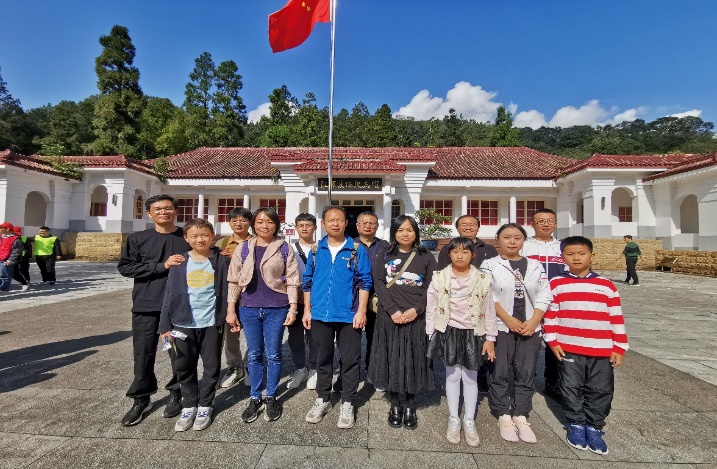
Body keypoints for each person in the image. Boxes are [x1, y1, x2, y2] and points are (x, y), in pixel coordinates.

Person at [544, 236, 629, 455]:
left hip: (601, 348)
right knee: (570, 386)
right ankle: (576, 423)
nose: (576, 258)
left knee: (601, 389)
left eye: (581, 253)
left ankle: (595, 426)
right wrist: (552, 341)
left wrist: (619, 347)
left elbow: (616, 317)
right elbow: (551, 315)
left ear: (592, 256)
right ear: (562, 257)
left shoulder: (606, 285)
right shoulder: (556, 283)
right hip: (569, 346)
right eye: (570, 254)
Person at [117, 195, 189, 427]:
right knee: (143, 354)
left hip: (179, 307)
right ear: (149, 213)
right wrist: (161, 266)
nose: (163, 212)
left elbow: (206, 258)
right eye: (158, 209)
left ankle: (178, 393)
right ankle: (142, 398)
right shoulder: (138, 239)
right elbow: (126, 267)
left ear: (176, 211)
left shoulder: (187, 237)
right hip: (147, 305)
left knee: (178, 353)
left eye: (168, 208)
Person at [227, 208, 300, 424]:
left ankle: (271, 396)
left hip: (276, 307)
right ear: (253, 225)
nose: (264, 225)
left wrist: (293, 308)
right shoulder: (243, 248)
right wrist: (231, 310)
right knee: (254, 354)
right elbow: (234, 280)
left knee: (274, 354)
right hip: (249, 307)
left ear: (276, 224)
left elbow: (292, 280)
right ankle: (255, 397)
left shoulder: (284, 248)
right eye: (259, 222)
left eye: (269, 221)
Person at [480, 223, 552, 444]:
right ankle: (502, 412)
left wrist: (534, 320)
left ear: (523, 241)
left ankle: (521, 413)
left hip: (530, 325)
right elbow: (486, 294)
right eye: (507, 237)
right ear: (498, 240)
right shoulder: (489, 264)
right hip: (501, 326)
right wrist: (507, 319)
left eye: (517, 237)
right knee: (499, 370)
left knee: (526, 371)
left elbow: (544, 294)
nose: (512, 241)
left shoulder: (536, 265)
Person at [302, 206, 372, 429]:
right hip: (320, 313)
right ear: (323, 224)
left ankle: (348, 401)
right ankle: (323, 398)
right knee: (322, 358)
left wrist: (361, 311)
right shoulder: (316, 250)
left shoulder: (356, 249)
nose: (335, 224)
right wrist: (307, 310)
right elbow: (307, 282)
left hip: (348, 314)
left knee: (350, 360)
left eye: (339, 220)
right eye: (330, 220)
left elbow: (364, 282)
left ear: (345, 223)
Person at [159, 219, 229, 432]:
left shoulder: (221, 260)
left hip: (211, 322)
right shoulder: (179, 262)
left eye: (205, 235)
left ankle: (205, 404)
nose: (200, 239)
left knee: (212, 366)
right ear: (186, 238)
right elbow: (168, 295)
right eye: (194, 236)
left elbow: (230, 289)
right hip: (182, 323)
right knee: (183, 365)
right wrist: (164, 326)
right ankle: (189, 404)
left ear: (213, 236)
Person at [426, 237, 497, 446]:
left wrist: (490, 338)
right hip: (448, 331)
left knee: (471, 377)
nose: (459, 256)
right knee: (452, 375)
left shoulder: (483, 279)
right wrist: (431, 333)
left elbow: (489, 310)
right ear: (448, 254)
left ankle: (469, 419)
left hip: (473, 332)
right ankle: (453, 418)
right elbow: (431, 306)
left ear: (472, 255)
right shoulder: (439, 277)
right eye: (455, 251)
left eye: (465, 252)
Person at [369, 215, 437, 430]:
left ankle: (409, 404)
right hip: (389, 316)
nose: (405, 234)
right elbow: (378, 282)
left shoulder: (426, 256)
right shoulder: (385, 255)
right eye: (400, 230)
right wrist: (392, 310)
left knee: (413, 358)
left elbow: (432, 286)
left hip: (416, 317)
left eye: (409, 229)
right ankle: (395, 403)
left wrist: (416, 310)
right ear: (394, 233)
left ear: (416, 232)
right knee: (391, 357)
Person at [521, 208, 566, 399]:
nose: (546, 224)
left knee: (556, 342)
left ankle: (553, 382)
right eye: (541, 221)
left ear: (555, 223)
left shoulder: (563, 246)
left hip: (558, 302)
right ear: (533, 224)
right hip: (531, 301)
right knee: (528, 343)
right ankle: (525, 381)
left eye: (550, 221)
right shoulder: (524, 246)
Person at [215, 207, 253, 389]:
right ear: (229, 223)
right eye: (235, 220)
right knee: (231, 335)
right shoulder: (221, 243)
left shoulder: (256, 242)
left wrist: (239, 259)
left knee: (254, 334)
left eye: (243, 220)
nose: (239, 223)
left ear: (249, 223)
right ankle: (235, 366)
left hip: (251, 294)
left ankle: (251, 365)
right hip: (229, 296)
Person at [354, 211, 390, 378]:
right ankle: (350, 374)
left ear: (377, 226)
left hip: (377, 298)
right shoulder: (350, 244)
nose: (368, 226)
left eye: (371, 223)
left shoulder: (385, 246)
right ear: (357, 226)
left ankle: (372, 370)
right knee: (351, 338)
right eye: (364, 223)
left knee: (374, 336)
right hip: (354, 297)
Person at [286, 213, 318, 390]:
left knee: (314, 337)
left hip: (315, 299)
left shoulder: (321, 247)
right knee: (295, 337)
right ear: (296, 228)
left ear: (315, 227)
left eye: (308, 225)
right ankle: (300, 368)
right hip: (294, 299)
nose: (305, 228)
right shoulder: (289, 248)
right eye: (301, 225)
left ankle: (314, 368)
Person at [0, 222, 22, 292]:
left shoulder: (15, 239)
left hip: (7, 259)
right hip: (1, 257)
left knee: (4, 274)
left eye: (1, 228)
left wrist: (11, 260)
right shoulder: (1, 237)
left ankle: (4, 288)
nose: (0, 229)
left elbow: (16, 250)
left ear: (7, 229)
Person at [11, 226, 32, 291]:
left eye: (17, 233)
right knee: (14, 272)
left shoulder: (24, 238)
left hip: (23, 257)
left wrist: (28, 256)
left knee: (24, 270)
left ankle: (27, 280)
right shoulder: (8, 238)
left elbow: (29, 248)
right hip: (12, 257)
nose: (16, 234)